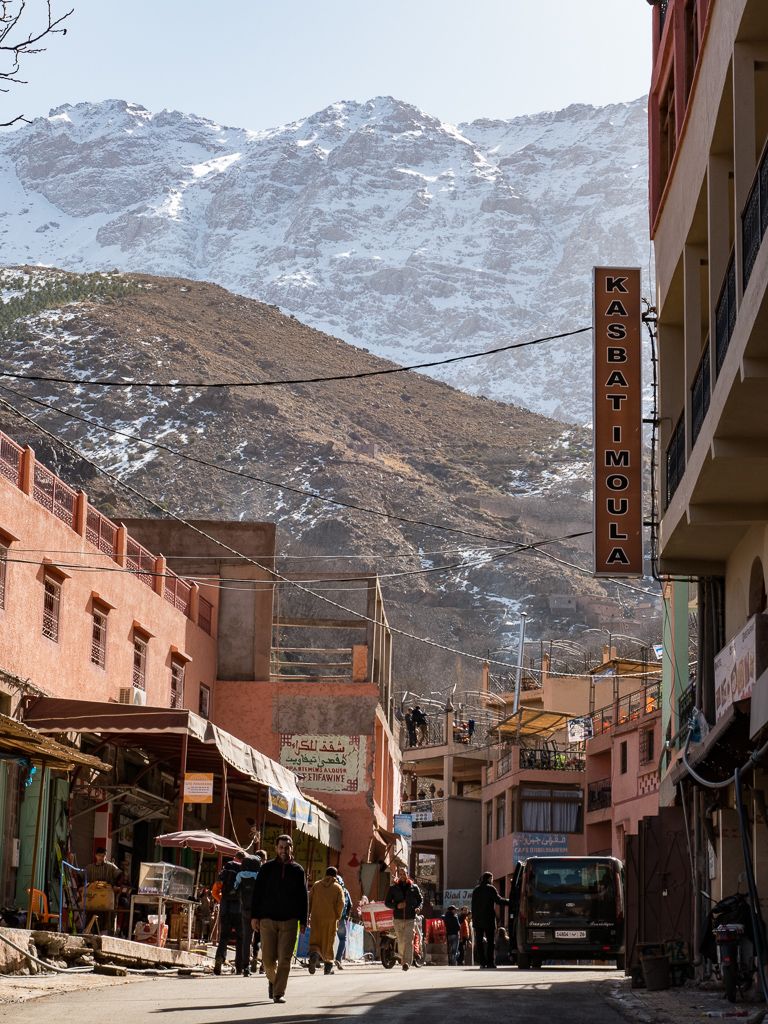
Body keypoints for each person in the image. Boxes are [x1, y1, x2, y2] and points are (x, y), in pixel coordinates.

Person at [251, 834, 308, 1004]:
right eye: (281, 847)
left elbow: (303, 897)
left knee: (284, 959)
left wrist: (303, 920)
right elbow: (257, 894)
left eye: (287, 847)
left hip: (290, 922)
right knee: (268, 960)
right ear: (276, 848)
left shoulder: (298, 870)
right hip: (267, 920)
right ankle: (273, 981)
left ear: (292, 848)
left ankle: (278, 993)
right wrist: (254, 916)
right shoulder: (266, 868)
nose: (284, 850)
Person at [308, 867, 345, 976]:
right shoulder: (338, 888)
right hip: (330, 919)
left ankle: (314, 955)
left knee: (315, 940)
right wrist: (337, 916)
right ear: (335, 876)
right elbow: (341, 904)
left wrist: (309, 914)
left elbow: (309, 900)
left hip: (316, 918)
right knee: (328, 942)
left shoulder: (316, 885)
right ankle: (328, 967)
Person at [385, 865, 422, 971]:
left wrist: (418, 908)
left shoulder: (414, 888)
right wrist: (396, 906)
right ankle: (402, 958)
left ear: (407, 875)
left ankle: (406, 963)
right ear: (398, 875)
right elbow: (387, 903)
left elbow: (420, 900)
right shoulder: (393, 888)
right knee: (401, 941)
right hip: (398, 918)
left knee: (408, 940)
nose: (402, 876)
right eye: (400, 874)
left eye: (404, 874)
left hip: (410, 918)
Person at [214, 850, 245, 975]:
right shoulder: (244, 872)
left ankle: (219, 959)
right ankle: (239, 967)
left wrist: (222, 900)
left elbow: (214, 891)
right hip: (239, 910)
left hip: (225, 909)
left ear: (234, 857)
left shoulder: (226, 870)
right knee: (240, 939)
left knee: (224, 937)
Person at [235, 851, 264, 976]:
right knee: (264, 938)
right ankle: (262, 963)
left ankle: (245, 967)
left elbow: (235, 888)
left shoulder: (240, 875)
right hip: (260, 912)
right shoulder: (260, 876)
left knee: (246, 938)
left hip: (245, 911)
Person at [471, 871, 509, 969]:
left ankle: (482, 963)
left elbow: (473, 906)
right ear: (489, 879)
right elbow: (498, 900)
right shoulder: (491, 889)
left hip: (478, 920)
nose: (492, 881)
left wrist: (474, 920)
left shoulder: (476, 890)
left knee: (479, 942)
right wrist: (510, 902)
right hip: (488, 919)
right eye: (492, 879)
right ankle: (490, 962)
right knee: (491, 942)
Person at [335, 874, 352, 969]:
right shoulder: (345, 891)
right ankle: (338, 959)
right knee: (343, 939)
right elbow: (350, 905)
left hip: (330, 918)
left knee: (327, 939)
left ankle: (322, 959)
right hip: (341, 919)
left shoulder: (330, 890)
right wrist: (347, 917)